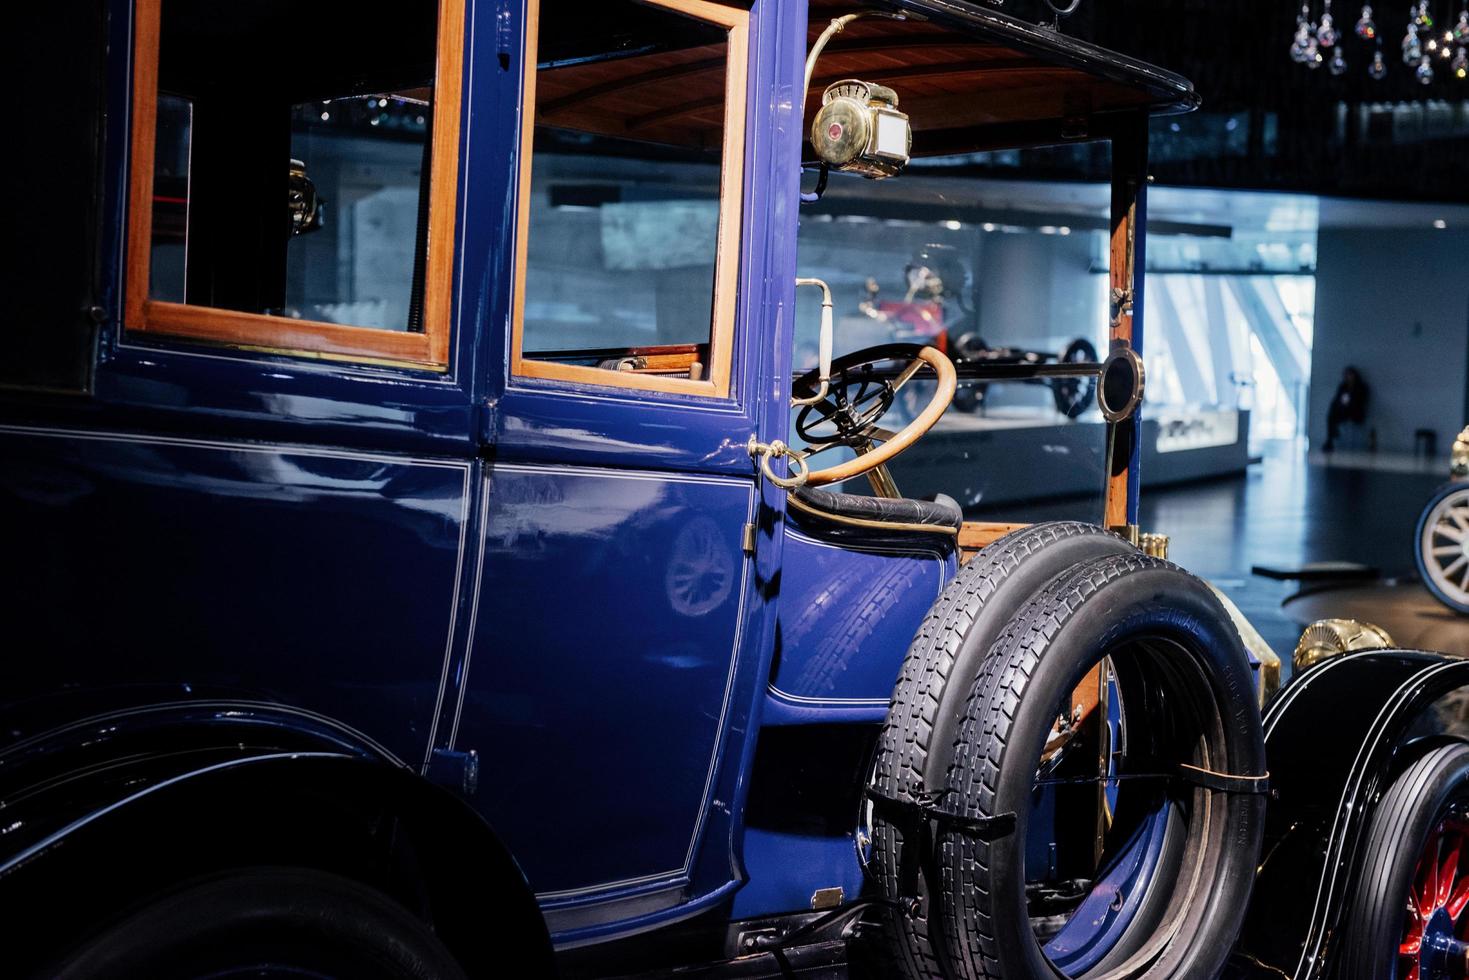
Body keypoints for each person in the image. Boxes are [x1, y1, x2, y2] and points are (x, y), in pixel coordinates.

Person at [1324, 366, 1369, 452]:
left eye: (1350, 375)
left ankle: (1333, 436)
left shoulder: (1361, 387)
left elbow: (1360, 402)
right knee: (1332, 414)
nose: (1348, 377)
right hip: (1343, 411)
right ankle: (1331, 437)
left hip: (1355, 412)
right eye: (1347, 375)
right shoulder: (1343, 387)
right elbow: (1337, 400)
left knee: (1338, 411)